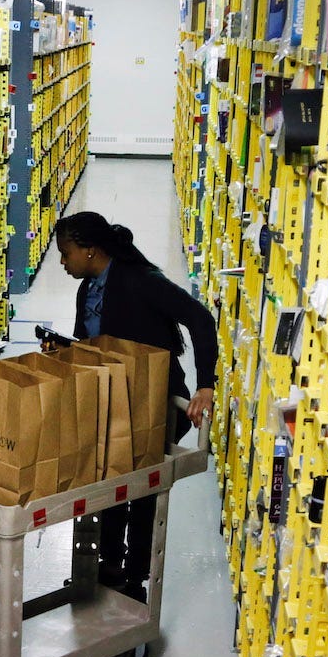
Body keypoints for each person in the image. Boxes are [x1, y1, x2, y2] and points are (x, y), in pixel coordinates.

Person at [54, 211, 218, 602]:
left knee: (141, 490)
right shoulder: (88, 288)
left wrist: (205, 386)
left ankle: (134, 579)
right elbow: (93, 345)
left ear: (90, 250)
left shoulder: (141, 282)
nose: (62, 262)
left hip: (157, 403)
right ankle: (108, 564)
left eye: (67, 253)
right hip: (115, 400)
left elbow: (200, 318)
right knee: (108, 481)